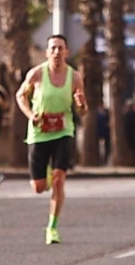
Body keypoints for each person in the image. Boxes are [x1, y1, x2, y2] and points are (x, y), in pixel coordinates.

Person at [15, 34, 87, 245]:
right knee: (38, 187)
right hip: (39, 133)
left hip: (63, 131)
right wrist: (31, 115)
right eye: (53, 48)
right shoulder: (37, 74)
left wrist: (81, 104)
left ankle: (52, 227)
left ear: (67, 52)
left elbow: (83, 111)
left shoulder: (74, 77)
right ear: (46, 52)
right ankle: (44, 174)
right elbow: (20, 96)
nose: (56, 52)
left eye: (60, 48)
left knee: (59, 180)